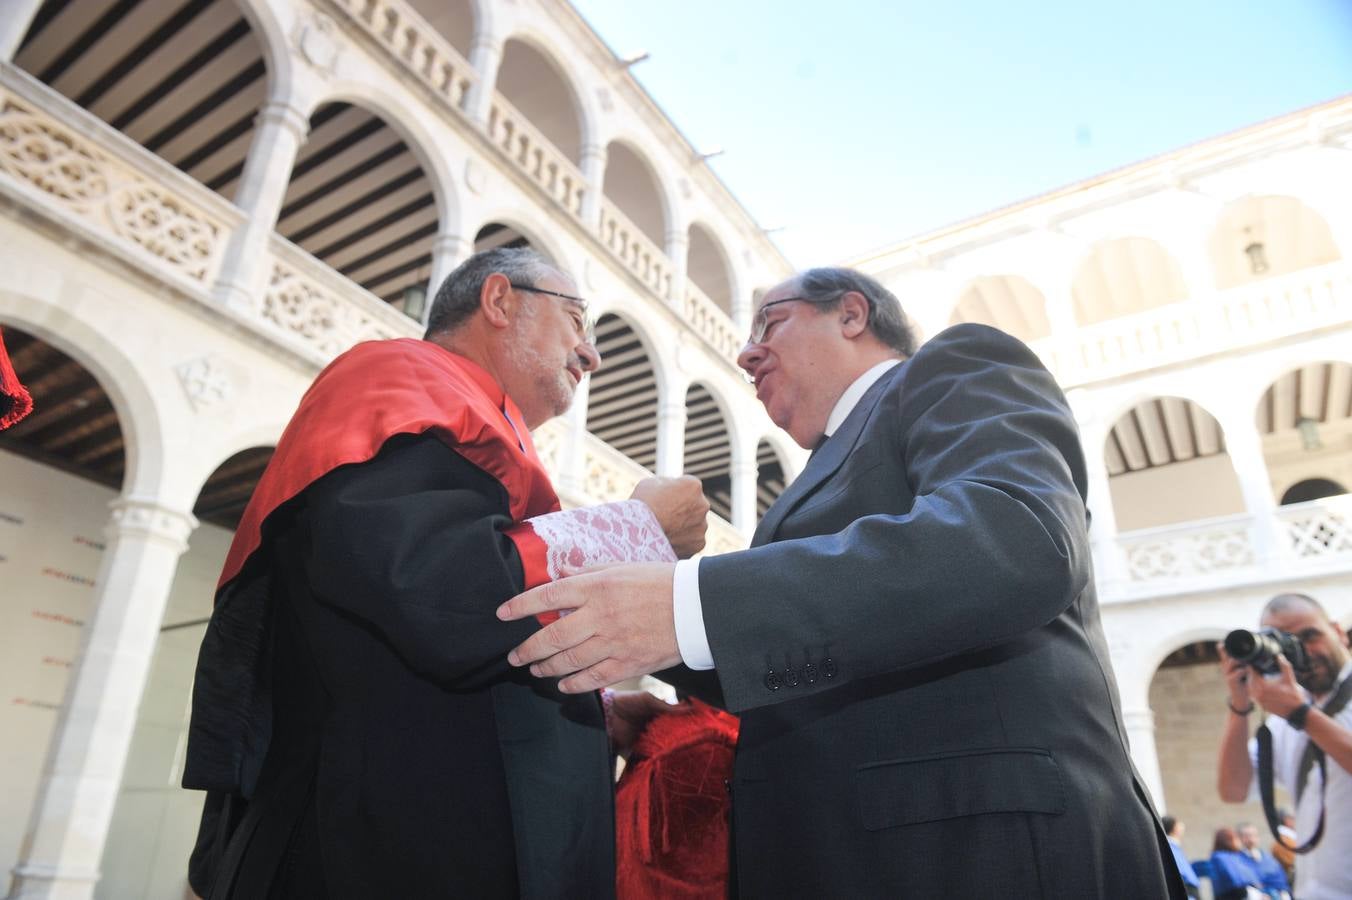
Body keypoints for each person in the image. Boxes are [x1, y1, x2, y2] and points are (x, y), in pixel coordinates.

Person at [498, 267, 1185, 896]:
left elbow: (1016, 537)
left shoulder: (955, 367)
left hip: (977, 851)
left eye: (770, 324)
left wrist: (686, 604)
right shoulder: (822, 469)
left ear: (852, 314)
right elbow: (852, 653)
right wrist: (691, 710)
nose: (746, 354)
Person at [182, 248, 709, 899]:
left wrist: (594, 707)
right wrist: (637, 528)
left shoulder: (471, 418)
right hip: (371, 853)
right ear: (499, 301)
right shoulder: (400, 377)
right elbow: (439, 597)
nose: (591, 354)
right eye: (576, 320)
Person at [1217, 592, 1352, 900]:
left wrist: (1300, 715)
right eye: (1283, 641)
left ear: (1339, 632)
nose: (1302, 649)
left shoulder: (1293, 712)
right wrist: (1239, 705)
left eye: (1310, 635)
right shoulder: (1283, 719)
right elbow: (1233, 790)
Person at [1209, 827, 1264, 900]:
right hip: (1233, 895)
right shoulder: (1220, 857)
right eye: (1236, 838)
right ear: (1228, 840)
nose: (1239, 841)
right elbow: (1234, 880)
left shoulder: (1235, 856)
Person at [1163, 815, 1201, 898]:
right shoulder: (1170, 847)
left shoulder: (1174, 846)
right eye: (1178, 823)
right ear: (1174, 828)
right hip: (1187, 892)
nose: (1181, 826)